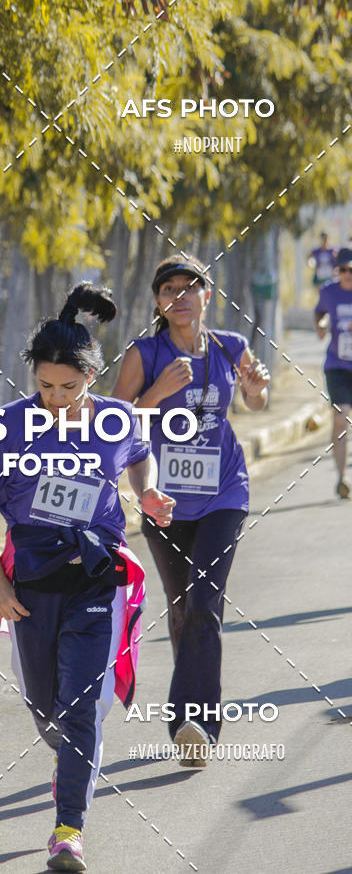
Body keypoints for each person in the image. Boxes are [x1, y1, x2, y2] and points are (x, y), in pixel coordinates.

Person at [0, 282, 175, 871]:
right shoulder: (5, 427)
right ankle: (67, 754)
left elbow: (138, 454)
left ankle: (68, 829)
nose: (55, 398)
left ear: (91, 379)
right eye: (45, 386)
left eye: (69, 388)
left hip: (98, 575)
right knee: (48, 710)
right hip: (31, 585)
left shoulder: (117, 420)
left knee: (80, 707)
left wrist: (147, 490)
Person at [112, 254, 270, 766]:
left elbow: (254, 401)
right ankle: (194, 724)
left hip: (225, 493)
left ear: (208, 294)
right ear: (157, 302)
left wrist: (255, 390)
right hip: (164, 498)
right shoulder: (145, 352)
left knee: (204, 602)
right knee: (183, 609)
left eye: (190, 286)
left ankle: (193, 723)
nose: (180, 296)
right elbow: (112, 425)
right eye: (169, 289)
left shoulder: (231, 346)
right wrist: (158, 392)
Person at [314, 246, 352, 499]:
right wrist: (320, 325)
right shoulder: (329, 291)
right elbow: (320, 313)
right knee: (341, 416)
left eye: (351, 269)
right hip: (337, 365)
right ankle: (342, 477)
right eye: (343, 269)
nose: (348, 274)